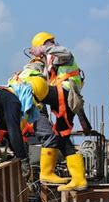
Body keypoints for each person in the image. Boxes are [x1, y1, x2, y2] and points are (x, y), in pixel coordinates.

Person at [29, 31, 88, 191]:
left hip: (67, 94)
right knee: (62, 138)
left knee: (37, 94)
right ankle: (77, 179)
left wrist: (44, 48)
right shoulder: (51, 64)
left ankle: (49, 173)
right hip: (64, 98)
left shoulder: (62, 56)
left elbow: (65, 52)